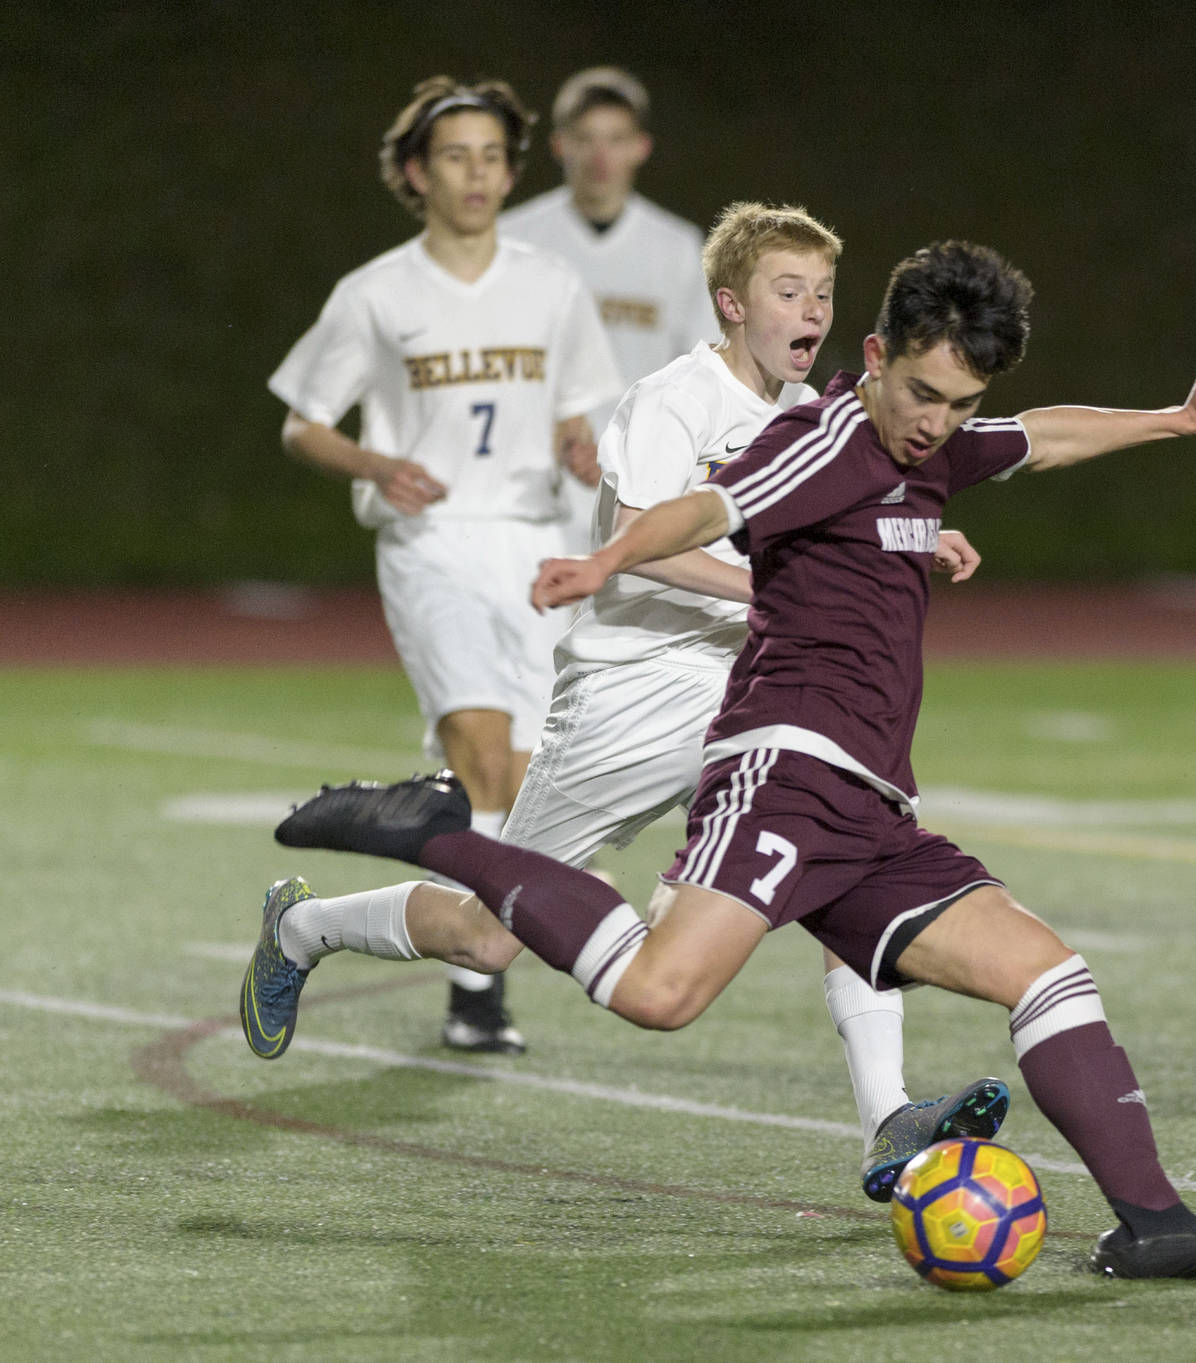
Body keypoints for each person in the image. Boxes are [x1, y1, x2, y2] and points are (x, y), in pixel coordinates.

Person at [253, 241, 1196, 1281]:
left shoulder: (932, 444)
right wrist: (606, 559)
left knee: (1048, 976)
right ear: (875, 354)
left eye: (959, 404)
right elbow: (711, 508)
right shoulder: (826, 435)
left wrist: (1176, 418)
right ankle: (433, 831)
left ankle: (1153, 1222)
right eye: (921, 391)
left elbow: (1042, 436)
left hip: (871, 813)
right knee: (659, 992)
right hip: (784, 769)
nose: (936, 421)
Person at [252, 201, 1007, 1200]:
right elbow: (644, 542)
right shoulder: (670, 401)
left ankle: (884, 1118)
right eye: (789, 290)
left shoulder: (834, 414)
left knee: (843, 857)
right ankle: (304, 929)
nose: (811, 309)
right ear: (733, 304)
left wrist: (911, 542)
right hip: (633, 690)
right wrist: (774, 586)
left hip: (758, 697)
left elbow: (868, 514)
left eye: (824, 292)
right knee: (489, 932)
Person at [267, 77, 621, 1056]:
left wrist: (580, 450)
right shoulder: (376, 293)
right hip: (430, 542)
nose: (476, 174)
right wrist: (375, 461)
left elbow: (576, 413)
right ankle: (478, 993)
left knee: (525, 778)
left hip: (533, 540)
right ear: (418, 172)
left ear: (512, 172)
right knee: (480, 747)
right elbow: (303, 425)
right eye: (455, 156)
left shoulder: (550, 285)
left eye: (492, 157)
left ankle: (464, 967)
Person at [500, 67, 723, 552]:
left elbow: (705, 366)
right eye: (586, 139)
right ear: (560, 145)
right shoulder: (515, 239)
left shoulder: (676, 246)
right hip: (536, 485)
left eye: (616, 139)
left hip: (642, 484)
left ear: (641, 146)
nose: (601, 157)